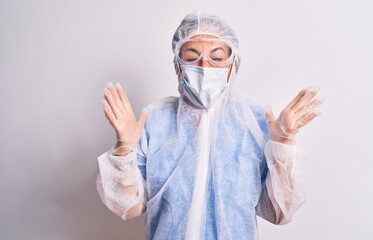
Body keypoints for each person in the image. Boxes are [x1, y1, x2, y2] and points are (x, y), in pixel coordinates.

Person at [96, 10, 323, 240]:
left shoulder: (256, 122)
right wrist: (124, 147)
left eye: (217, 56)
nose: (204, 65)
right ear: (178, 64)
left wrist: (282, 144)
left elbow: (277, 213)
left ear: (232, 63)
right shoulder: (154, 121)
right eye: (192, 56)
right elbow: (129, 207)